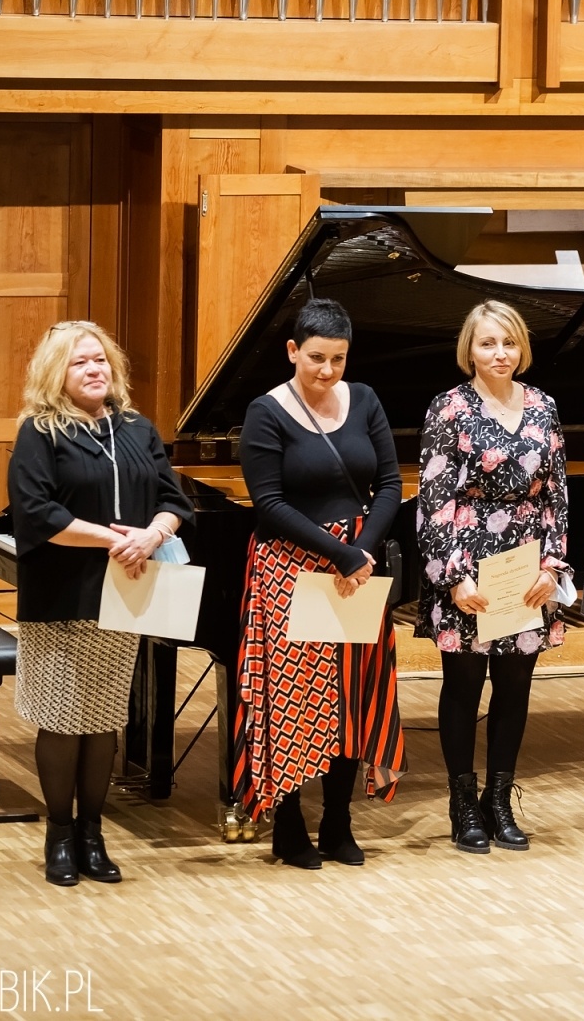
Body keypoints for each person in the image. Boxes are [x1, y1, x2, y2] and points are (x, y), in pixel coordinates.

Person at [8, 320, 193, 887]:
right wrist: (113, 537)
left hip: (126, 593)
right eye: (79, 362)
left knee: (105, 717)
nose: (94, 370)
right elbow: (36, 514)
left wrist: (153, 534)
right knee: (63, 719)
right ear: (54, 373)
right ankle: (59, 835)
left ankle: (93, 831)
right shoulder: (40, 432)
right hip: (63, 593)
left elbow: (172, 499)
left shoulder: (135, 429)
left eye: (100, 360)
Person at [233, 298, 407, 869]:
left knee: (353, 695)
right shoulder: (266, 412)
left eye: (337, 359)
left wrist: (364, 551)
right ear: (292, 352)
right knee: (296, 702)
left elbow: (387, 482)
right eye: (315, 359)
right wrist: (341, 552)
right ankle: (288, 826)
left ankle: (338, 822)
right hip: (290, 567)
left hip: (356, 568)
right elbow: (269, 503)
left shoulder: (366, 400)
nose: (327, 371)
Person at [415, 300, 570, 854]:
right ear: (470, 350)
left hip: (526, 567)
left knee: (515, 686)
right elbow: (433, 500)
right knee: (462, 685)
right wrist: (454, 577)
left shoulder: (544, 405)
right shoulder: (449, 408)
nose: (498, 354)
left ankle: (499, 801)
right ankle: (463, 804)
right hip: (467, 562)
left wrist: (553, 566)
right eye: (487, 344)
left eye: (507, 343)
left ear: (521, 347)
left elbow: (557, 495)